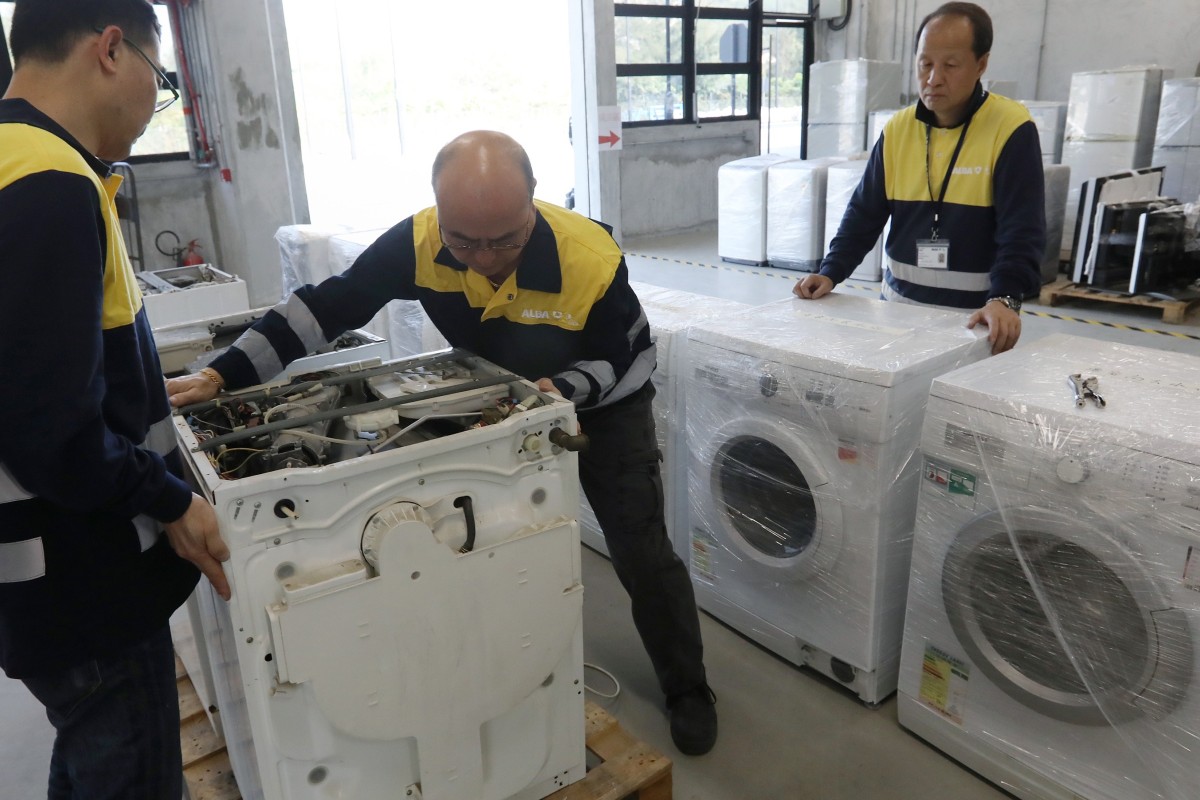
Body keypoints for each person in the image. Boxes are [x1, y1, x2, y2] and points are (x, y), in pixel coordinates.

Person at [166, 130, 720, 756]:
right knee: (495, 538)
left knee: (640, 549)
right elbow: (323, 309)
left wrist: (556, 390)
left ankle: (689, 689)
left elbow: (623, 359)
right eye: (464, 241)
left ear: (533, 205)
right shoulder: (420, 243)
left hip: (605, 402)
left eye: (504, 240)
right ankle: (501, 667)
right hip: (508, 399)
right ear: (438, 213)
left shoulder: (588, 257)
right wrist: (223, 373)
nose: (483, 258)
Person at [0, 1, 231, 796]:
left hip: (33, 575)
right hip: (81, 578)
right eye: (158, 76)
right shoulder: (49, 184)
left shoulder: (10, 160)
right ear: (109, 50)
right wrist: (168, 496)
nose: (150, 100)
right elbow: (49, 426)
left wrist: (129, 390)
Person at [794, 1, 1043, 354]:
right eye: (925, 64)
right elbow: (864, 213)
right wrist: (830, 271)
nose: (933, 78)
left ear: (981, 64)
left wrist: (1005, 298)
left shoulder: (1011, 128)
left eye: (950, 65)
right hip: (898, 312)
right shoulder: (898, 129)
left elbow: (1022, 229)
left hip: (975, 320)